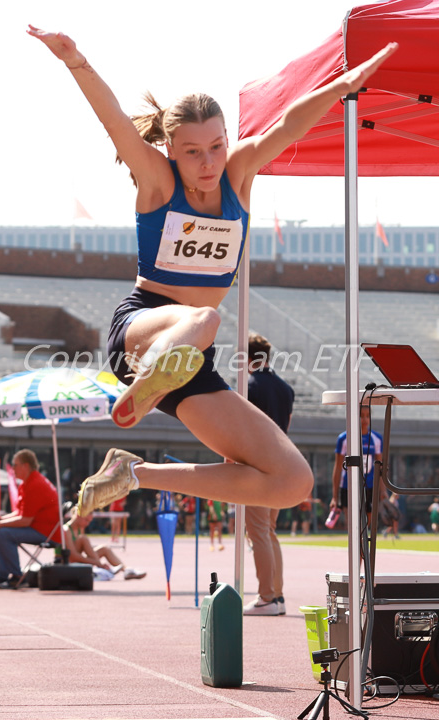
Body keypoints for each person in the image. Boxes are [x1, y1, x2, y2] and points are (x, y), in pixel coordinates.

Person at [28, 26, 396, 515]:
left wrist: (340, 87)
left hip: (190, 357)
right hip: (144, 327)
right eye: (193, 152)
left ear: (227, 141)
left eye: (217, 147)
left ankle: (131, 472)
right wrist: (76, 61)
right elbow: (114, 121)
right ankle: (152, 373)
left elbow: (288, 125)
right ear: (171, 151)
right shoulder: (158, 182)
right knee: (204, 319)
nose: (209, 163)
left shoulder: (239, 174)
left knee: (292, 481)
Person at [243, 333, 294, 616]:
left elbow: (242, 427)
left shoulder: (249, 386)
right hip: (281, 465)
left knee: (258, 532)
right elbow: (287, 424)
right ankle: (277, 593)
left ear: (248, 358)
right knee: (268, 531)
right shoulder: (285, 388)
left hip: (258, 467)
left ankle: (267, 597)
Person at [0, 449, 61, 588]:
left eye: (15, 465)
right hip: (38, 527)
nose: (13, 468)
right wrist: (0, 520)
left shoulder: (35, 484)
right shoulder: (28, 482)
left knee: (2, 533)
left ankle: (16, 575)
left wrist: (0, 523)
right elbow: (20, 513)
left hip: (47, 532)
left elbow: (25, 520)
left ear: (25, 466)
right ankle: (0, 575)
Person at [329, 406, 384, 529]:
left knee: (367, 524)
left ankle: (363, 548)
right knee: (353, 524)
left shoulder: (376, 439)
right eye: (361, 415)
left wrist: (383, 491)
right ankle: (356, 547)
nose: (364, 419)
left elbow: (380, 467)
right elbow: (338, 468)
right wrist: (334, 496)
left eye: (367, 415)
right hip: (348, 486)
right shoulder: (344, 439)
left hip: (369, 486)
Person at [62, 506, 146, 580]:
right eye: (86, 520)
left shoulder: (80, 528)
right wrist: (97, 562)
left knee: (104, 548)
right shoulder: (66, 530)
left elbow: (86, 551)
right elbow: (73, 556)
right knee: (83, 538)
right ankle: (105, 568)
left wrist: (94, 561)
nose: (87, 524)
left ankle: (126, 570)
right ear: (78, 516)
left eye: (89, 522)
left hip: (79, 561)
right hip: (68, 563)